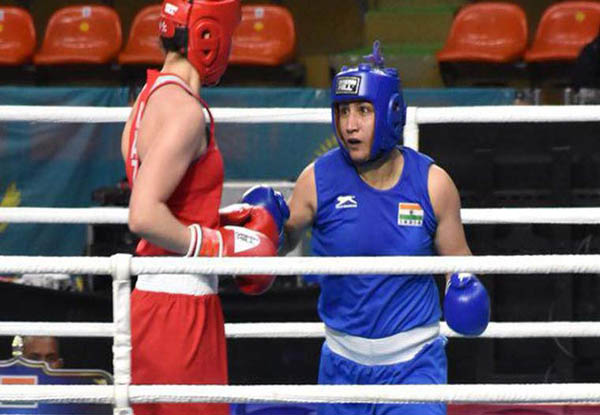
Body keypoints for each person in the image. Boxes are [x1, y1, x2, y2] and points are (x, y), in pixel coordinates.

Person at [280, 41, 491, 415]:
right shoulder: (316, 179)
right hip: (341, 366)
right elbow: (283, 240)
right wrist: (263, 224)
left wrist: (464, 283)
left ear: (391, 112)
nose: (350, 125)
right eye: (343, 111)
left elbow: (458, 258)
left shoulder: (432, 183)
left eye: (363, 110)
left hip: (414, 365)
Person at [120, 1, 287, 414]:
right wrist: (214, 243)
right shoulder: (186, 112)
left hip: (156, 303)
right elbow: (143, 214)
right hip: (180, 311)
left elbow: (167, 198)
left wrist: (220, 221)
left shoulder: (146, 99)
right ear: (209, 37)